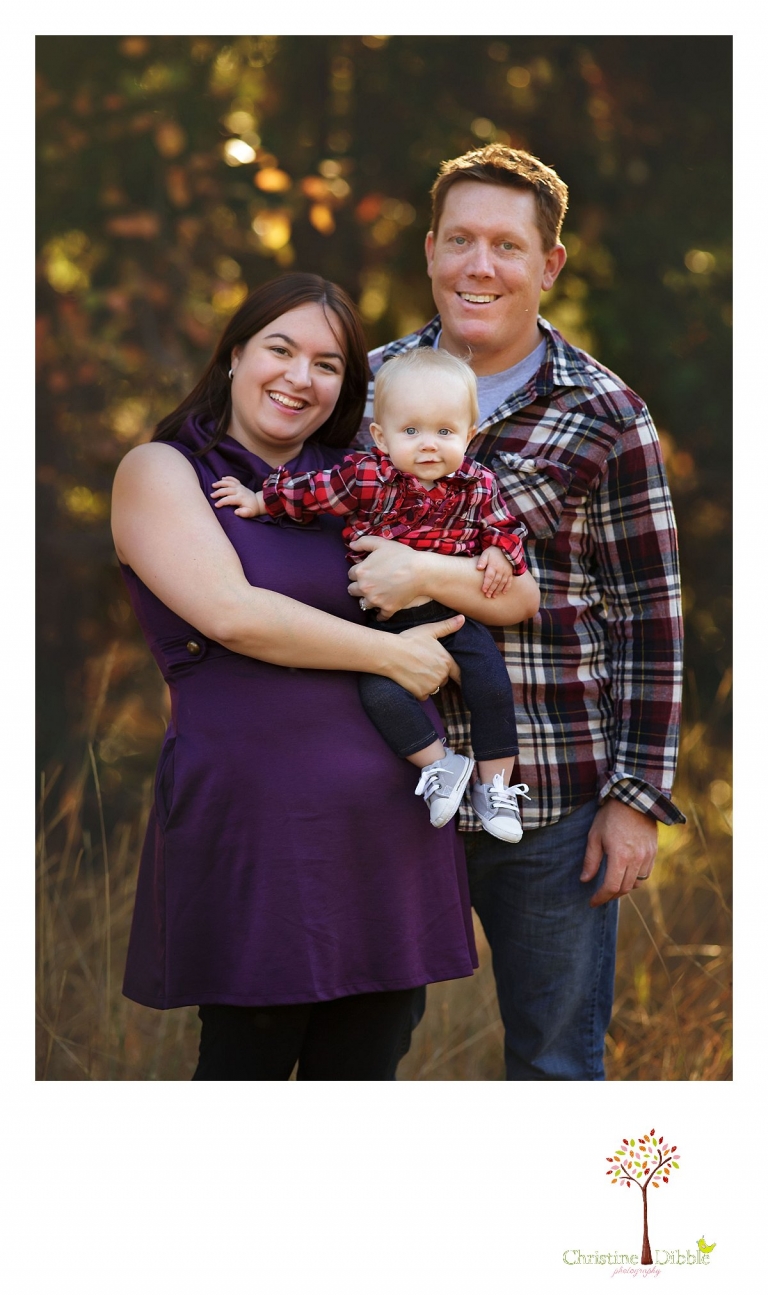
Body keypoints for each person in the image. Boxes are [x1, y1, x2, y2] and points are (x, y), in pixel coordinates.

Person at [110, 271, 539, 1081]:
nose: (300, 378)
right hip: (262, 826)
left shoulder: (369, 476)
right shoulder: (165, 472)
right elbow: (233, 615)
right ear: (235, 354)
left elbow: (521, 595)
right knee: (250, 1066)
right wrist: (391, 653)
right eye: (280, 348)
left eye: (328, 364)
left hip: (393, 822)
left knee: (367, 1071)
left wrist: (426, 569)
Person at [348, 146, 686, 1081]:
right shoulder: (363, 387)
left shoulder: (605, 412)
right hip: (382, 783)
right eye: (459, 240)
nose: (478, 266)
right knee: (355, 1057)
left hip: (552, 796)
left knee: (554, 1064)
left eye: (505, 244)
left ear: (549, 265)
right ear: (429, 251)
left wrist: (635, 798)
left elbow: (649, 617)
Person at [210, 347, 536, 842]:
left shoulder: (478, 485)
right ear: (382, 437)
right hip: (386, 622)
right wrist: (260, 499)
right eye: (411, 432)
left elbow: (506, 529)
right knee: (379, 694)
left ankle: (496, 790)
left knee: (491, 685)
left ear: (469, 435)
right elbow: (310, 492)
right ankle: (442, 766)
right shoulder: (365, 477)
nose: (429, 445)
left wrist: (499, 553)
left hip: (454, 616)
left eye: (445, 432)